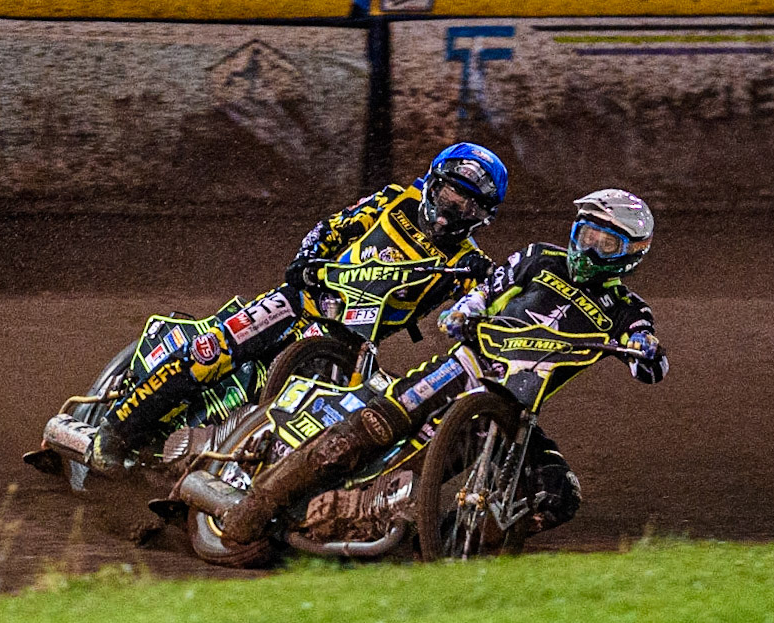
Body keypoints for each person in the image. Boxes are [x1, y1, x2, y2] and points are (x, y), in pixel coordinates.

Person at [222, 188, 669, 544]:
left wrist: (645, 349)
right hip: (466, 364)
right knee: (371, 429)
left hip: (516, 408)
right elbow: (488, 290)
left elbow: (650, 362)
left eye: (605, 243)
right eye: (587, 235)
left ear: (630, 254)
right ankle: (259, 504)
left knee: (559, 494)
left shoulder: (627, 309)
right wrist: (465, 310)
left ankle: (442, 538)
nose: (589, 250)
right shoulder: (539, 256)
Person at [87, 142, 509, 473]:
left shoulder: (469, 264)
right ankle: (118, 431)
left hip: (352, 345)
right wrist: (307, 259)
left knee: (326, 422)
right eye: (451, 195)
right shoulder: (393, 201)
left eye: (468, 205)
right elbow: (330, 228)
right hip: (304, 300)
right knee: (212, 350)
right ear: (433, 184)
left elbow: (485, 306)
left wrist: (477, 292)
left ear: (482, 216)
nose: (453, 210)